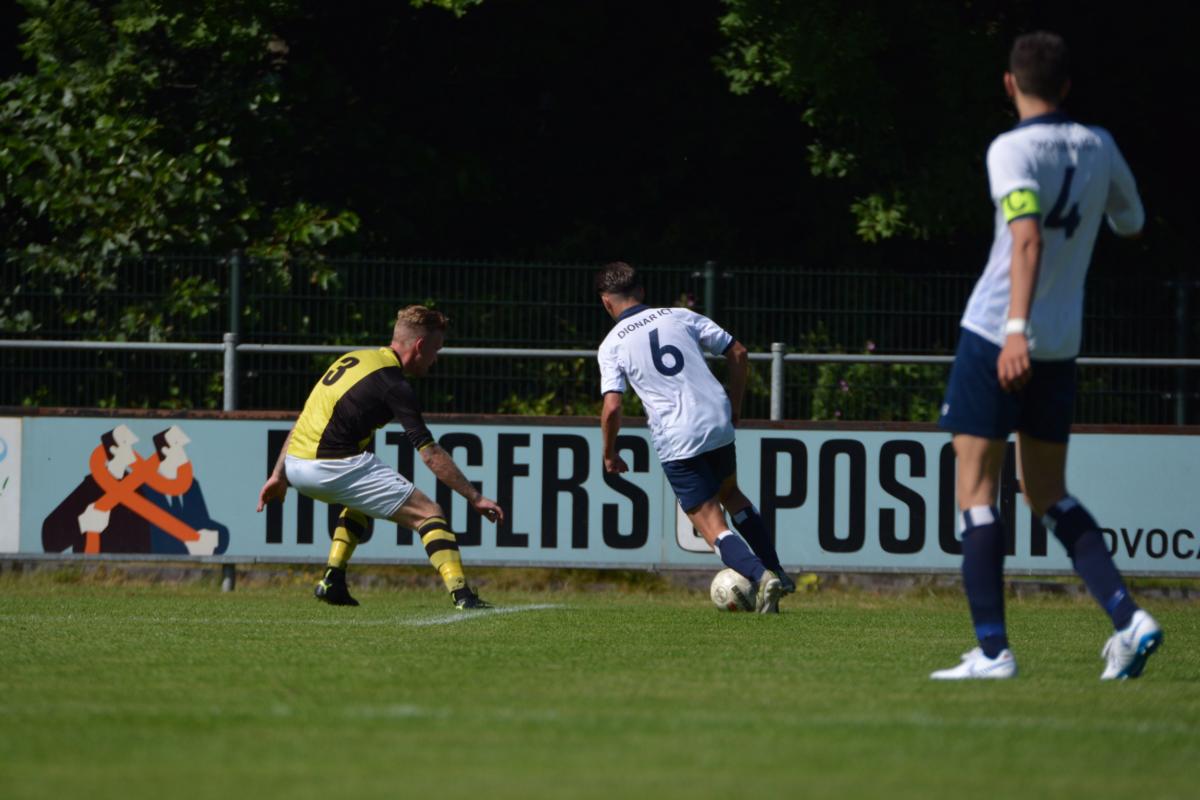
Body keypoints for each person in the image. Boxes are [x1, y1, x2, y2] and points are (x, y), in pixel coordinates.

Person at [932, 31, 1160, 680]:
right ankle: (1129, 618)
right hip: (1061, 341)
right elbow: (1132, 221)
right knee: (1048, 492)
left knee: (976, 491)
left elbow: (1025, 240)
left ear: (1010, 85)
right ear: (1066, 86)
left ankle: (993, 651)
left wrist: (1012, 330)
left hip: (997, 333)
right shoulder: (1100, 146)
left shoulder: (1011, 149)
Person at [256, 305, 503, 609]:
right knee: (429, 513)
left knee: (361, 504)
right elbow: (430, 454)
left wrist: (279, 475)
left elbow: (302, 420)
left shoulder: (354, 359)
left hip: (295, 466)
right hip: (332, 466)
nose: (435, 360)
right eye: (436, 350)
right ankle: (463, 596)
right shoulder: (395, 385)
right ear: (420, 346)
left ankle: (332, 579)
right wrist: (475, 497)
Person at [595, 261, 792, 613]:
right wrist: (734, 403)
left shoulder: (612, 344)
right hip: (717, 419)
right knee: (730, 493)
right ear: (641, 292)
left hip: (677, 435)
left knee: (709, 522)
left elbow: (612, 407)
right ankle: (776, 568)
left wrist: (609, 453)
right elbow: (738, 352)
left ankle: (763, 577)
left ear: (606, 303)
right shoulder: (679, 316)